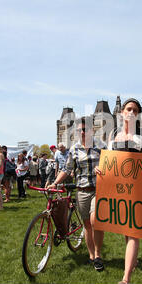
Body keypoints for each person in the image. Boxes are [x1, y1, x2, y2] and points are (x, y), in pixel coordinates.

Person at [107, 98, 142, 284]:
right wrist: (100, 171)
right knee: (125, 229)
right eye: (128, 109)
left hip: (138, 189)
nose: (131, 112)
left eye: (135, 110)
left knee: (133, 232)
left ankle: (126, 278)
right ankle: (134, 261)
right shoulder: (114, 135)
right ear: (122, 112)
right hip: (118, 189)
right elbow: (109, 162)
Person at [47, 116, 106, 273]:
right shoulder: (74, 149)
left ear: (92, 130)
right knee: (87, 225)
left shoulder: (101, 146)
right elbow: (66, 169)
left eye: (84, 130)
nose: (81, 132)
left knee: (95, 222)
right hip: (82, 191)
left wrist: (103, 170)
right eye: (79, 130)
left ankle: (99, 255)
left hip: (98, 190)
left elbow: (112, 166)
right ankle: (92, 255)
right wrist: (55, 183)